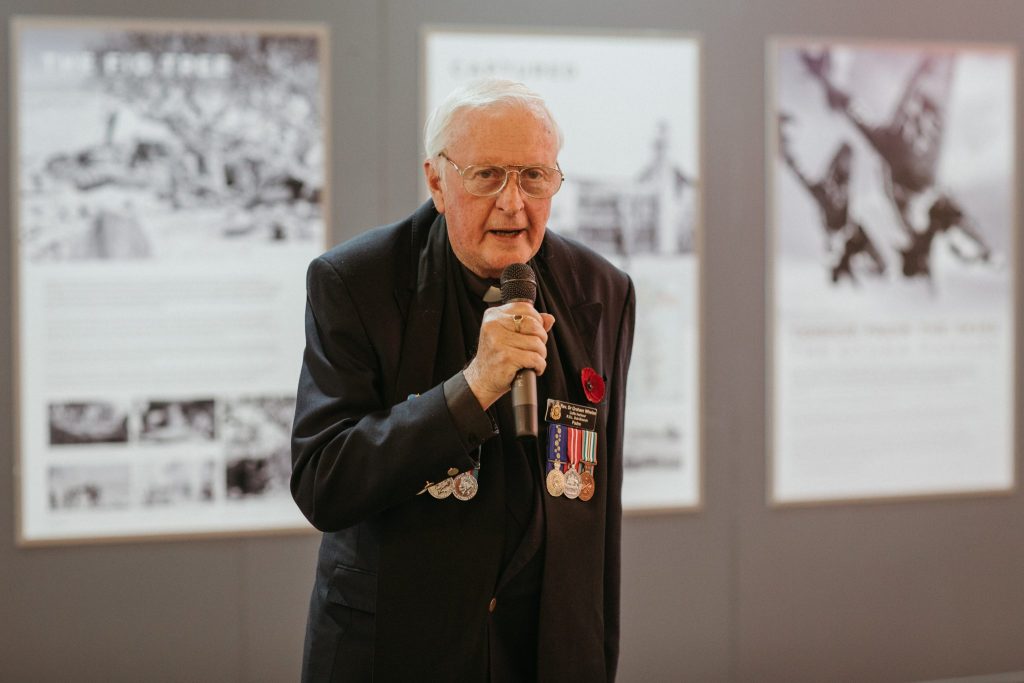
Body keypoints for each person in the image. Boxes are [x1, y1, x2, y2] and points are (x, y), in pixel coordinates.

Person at [290, 78, 636, 681]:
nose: (514, 202)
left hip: (547, 653)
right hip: (400, 649)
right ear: (436, 181)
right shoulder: (357, 284)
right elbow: (325, 482)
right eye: (487, 176)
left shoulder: (600, 290)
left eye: (535, 176)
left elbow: (599, 510)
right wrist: (471, 389)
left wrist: (597, 657)